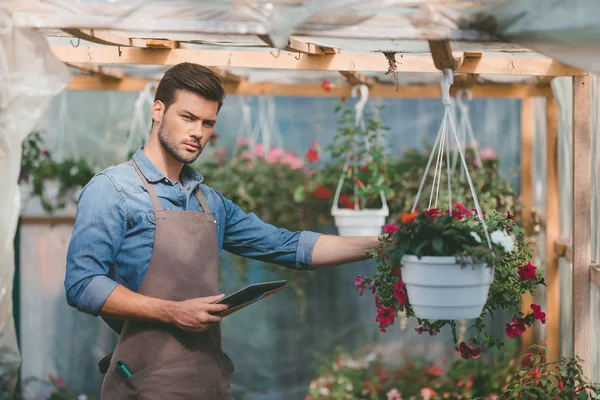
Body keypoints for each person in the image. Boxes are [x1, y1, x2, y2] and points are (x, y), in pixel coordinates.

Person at [64, 62, 381, 399]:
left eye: (207, 123)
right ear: (158, 110)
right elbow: (83, 284)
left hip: (205, 380)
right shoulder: (112, 189)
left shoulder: (209, 203)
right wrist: (173, 312)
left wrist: (381, 245)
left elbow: (289, 246)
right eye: (187, 117)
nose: (198, 132)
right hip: (144, 382)